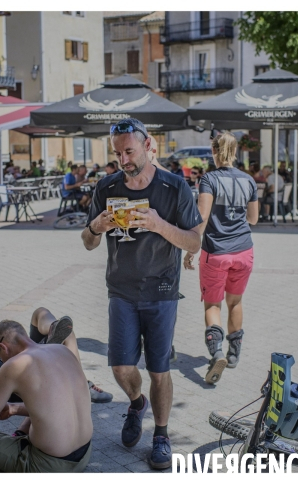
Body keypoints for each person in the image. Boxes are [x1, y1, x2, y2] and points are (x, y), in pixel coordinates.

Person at [81, 118, 202, 469]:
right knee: (120, 367)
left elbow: (195, 240)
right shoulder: (106, 187)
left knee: (159, 369)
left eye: (129, 151)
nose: (123, 159)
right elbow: (88, 243)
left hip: (162, 290)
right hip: (120, 290)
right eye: (117, 153)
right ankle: (136, 403)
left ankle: (161, 435)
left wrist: (158, 225)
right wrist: (96, 227)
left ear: (148, 146)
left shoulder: (174, 186)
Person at [0, 319, 93, 473]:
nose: (1, 361)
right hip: (84, 455)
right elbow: (57, 406)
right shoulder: (63, 350)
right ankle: (17, 438)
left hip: (49, 465)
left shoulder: (14, 366)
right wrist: (14, 408)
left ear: (2, 347)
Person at [182, 133, 259, 384]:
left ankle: (216, 353)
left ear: (214, 151)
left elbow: (202, 219)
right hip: (244, 251)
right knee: (235, 302)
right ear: (235, 152)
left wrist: (191, 248)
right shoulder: (248, 180)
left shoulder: (209, 179)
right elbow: (253, 219)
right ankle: (233, 354)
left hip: (216, 251)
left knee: (212, 305)